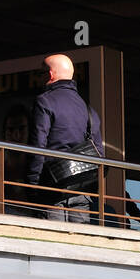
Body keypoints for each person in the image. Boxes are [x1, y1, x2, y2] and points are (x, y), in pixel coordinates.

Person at [25, 54, 103, 223]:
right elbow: (99, 154)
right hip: (81, 190)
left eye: (40, 73)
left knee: (51, 244)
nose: (39, 78)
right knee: (78, 245)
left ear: (50, 74)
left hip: (51, 188)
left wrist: (32, 186)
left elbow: (37, 146)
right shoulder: (89, 110)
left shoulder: (44, 102)